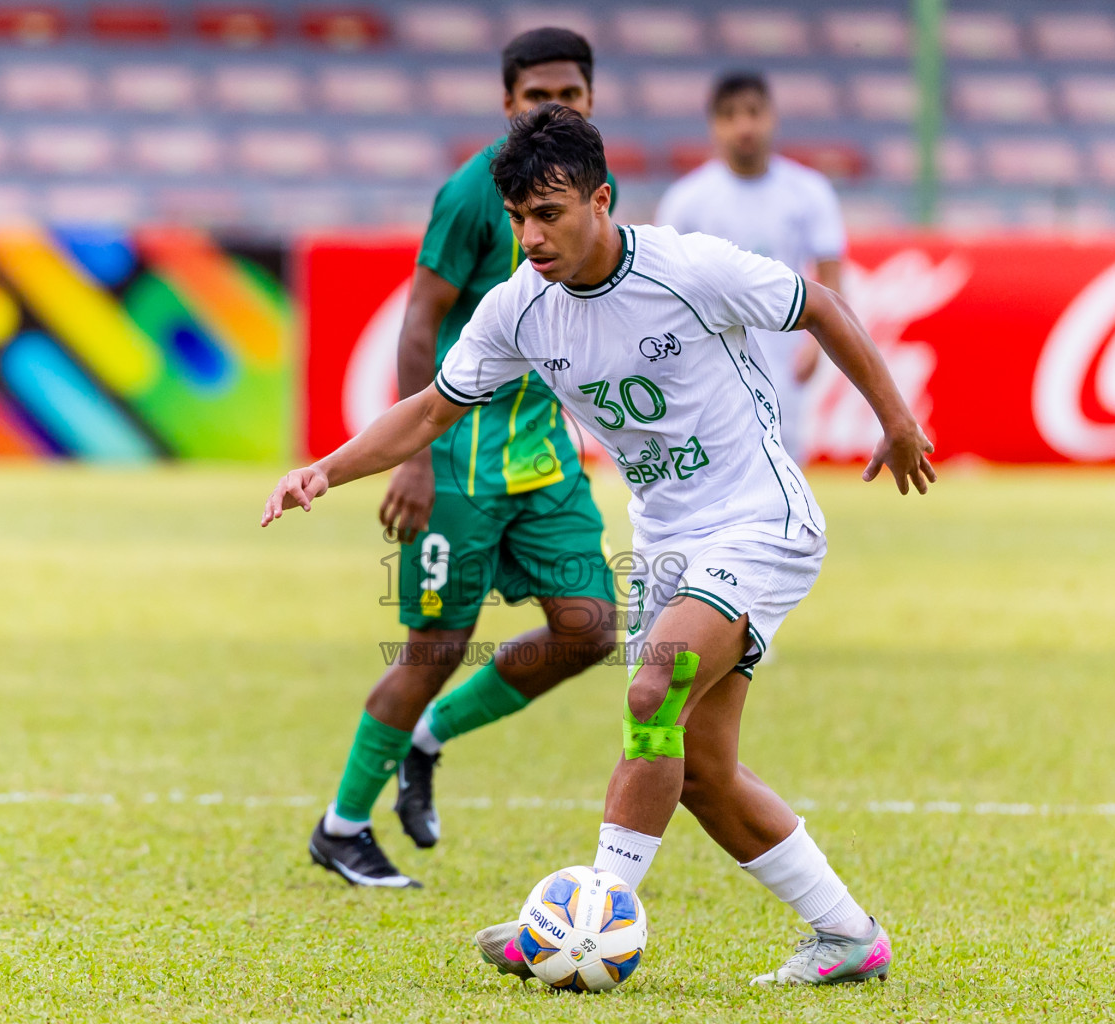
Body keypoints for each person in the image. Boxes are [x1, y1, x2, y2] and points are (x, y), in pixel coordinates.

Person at [264, 105, 934, 984]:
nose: (531, 236)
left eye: (549, 214)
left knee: (655, 685)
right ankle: (849, 937)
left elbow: (822, 306)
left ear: (601, 199)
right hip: (667, 541)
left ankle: (584, 921)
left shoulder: (688, 267)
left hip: (757, 519)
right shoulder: (518, 309)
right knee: (700, 770)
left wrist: (896, 420)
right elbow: (431, 409)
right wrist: (326, 470)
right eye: (517, 218)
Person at [303, 29, 620, 889]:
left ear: (592, 100)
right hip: (463, 458)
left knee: (590, 628)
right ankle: (341, 827)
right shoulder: (473, 195)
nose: (554, 106)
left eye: (571, 93)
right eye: (535, 94)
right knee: (434, 646)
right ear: (507, 102)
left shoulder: (596, 186)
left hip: (546, 455)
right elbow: (418, 322)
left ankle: (429, 739)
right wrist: (416, 461)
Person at [656, 71, 847, 463]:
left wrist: (816, 345)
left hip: (784, 357)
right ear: (714, 125)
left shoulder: (809, 191)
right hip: (708, 363)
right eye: (730, 115)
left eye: (753, 112)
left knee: (786, 469)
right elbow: (663, 285)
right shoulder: (686, 200)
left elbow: (831, 276)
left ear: (771, 117)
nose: (744, 126)